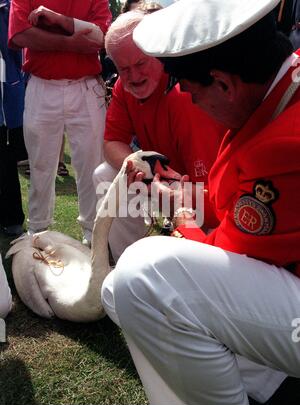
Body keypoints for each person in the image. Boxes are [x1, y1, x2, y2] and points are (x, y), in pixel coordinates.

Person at [101, 0, 300, 405]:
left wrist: (182, 216)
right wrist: (184, 201)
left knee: (141, 278)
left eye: (192, 92)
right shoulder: (281, 87)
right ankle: (265, 387)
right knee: (117, 290)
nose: (191, 102)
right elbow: (234, 199)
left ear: (223, 83)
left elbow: (231, 250)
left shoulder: (282, 147)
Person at [93, 10, 226, 261]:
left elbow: (206, 186)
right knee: (104, 175)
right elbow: (112, 142)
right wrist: (144, 169)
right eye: (124, 69)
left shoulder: (186, 93)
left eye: (141, 64)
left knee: (207, 243)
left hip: (204, 188)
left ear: (158, 52)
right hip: (163, 178)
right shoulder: (124, 88)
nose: (133, 76)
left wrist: (172, 190)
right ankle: (128, 263)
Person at [8, 1, 111, 245]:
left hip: (86, 85)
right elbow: (21, 34)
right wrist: (70, 41)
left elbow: (99, 38)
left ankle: (92, 233)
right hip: (43, 84)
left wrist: (58, 22)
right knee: (40, 164)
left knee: (91, 165)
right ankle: (39, 231)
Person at [0, 0, 25, 237]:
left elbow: (15, 53)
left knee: (5, 160)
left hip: (5, 99)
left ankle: (11, 217)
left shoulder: (8, 8)